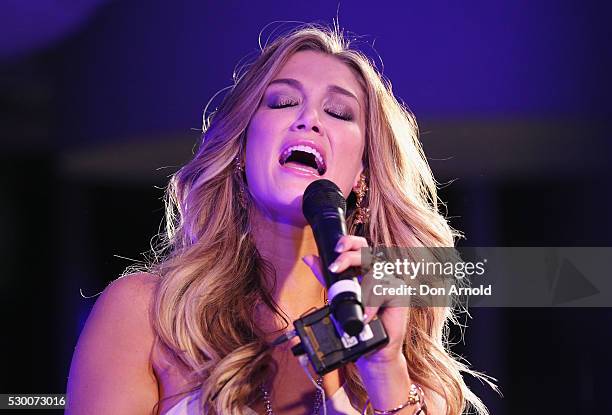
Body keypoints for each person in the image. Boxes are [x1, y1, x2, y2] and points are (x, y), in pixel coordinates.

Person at [66, 23, 492, 415]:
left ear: (362, 175)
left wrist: (384, 374)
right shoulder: (149, 314)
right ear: (240, 151)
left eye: (339, 113)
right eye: (284, 102)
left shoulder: (413, 369)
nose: (310, 121)